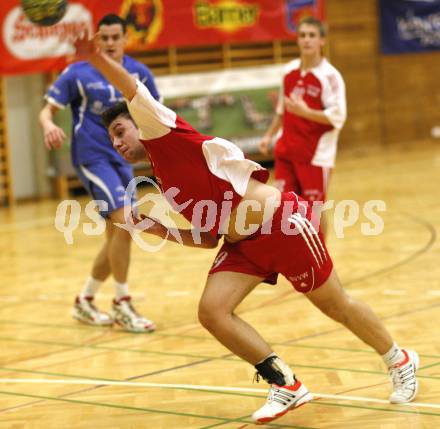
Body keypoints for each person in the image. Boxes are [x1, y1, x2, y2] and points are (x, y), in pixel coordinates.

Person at [74, 33, 419, 424]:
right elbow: (206, 239)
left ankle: (399, 358)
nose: (117, 142)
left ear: (139, 122)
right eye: (111, 138)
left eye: (120, 131)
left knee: (335, 305)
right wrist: (152, 227)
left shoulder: (161, 130)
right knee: (212, 311)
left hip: (283, 225)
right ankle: (285, 384)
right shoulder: (164, 178)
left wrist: (97, 59)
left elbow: (130, 87)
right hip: (245, 246)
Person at [39, 14, 160, 333]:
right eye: (103, 38)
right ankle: (122, 303)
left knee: (119, 233)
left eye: (114, 38)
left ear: (124, 39)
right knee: (125, 223)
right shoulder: (78, 73)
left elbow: (155, 116)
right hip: (91, 156)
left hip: (123, 159)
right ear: (96, 40)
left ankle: (85, 300)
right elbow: (46, 110)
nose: (108, 44)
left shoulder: (138, 73)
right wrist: (49, 124)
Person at [260, 16, 346, 235]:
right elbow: (282, 109)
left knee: (315, 210)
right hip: (286, 151)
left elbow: (338, 116)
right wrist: (269, 136)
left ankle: (321, 256)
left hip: (315, 156)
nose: (306, 40)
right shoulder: (289, 71)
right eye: (302, 35)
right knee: (284, 208)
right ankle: (295, 255)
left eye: (312, 35)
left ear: (322, 41)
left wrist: (306, 112)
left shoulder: (330, 76)